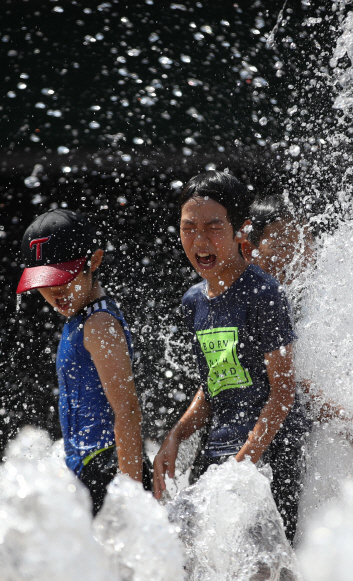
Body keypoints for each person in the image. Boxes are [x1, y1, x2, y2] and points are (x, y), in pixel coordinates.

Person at [153, 172, 310, 544]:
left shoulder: (263, 293)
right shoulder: (194, 301)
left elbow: (282, 393)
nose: (200, 241)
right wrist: (175, 435)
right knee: (191, 557)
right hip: (220, 450)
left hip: (269, 454)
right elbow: (214, 386)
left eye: (213, 227)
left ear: (242, 229)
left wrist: (243, 465)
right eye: (188, 228)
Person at [242, 194, 353, 470]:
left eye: (304, 244)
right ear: (250, 246)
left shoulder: (292, 300)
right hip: (256, 445)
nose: (296, 256)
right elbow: (293, 385)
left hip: (274, 443)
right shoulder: (255, 298)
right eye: (284, 244)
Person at [16, 209, 152, 515]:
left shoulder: (99, 323)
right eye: (44, 282)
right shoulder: (80, 317)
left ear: (95, 261)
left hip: (109, 469)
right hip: (89, 470)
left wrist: (131, 502)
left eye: (63, 278)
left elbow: (128, 411)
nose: (54, 291)